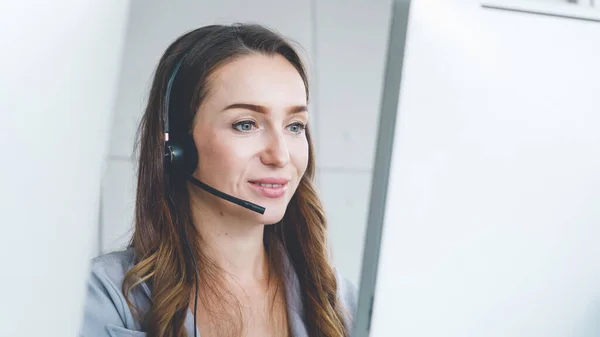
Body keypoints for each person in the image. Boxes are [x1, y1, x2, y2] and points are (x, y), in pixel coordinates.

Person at [79, 23, 357, 337]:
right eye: (246, 124)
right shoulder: (105, 298)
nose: (280, 156)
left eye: (294, 126)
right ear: (178, 148)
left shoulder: (342, 304)